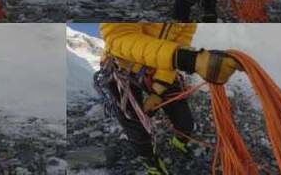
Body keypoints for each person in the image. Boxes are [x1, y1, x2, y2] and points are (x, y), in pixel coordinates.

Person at [98, 23, 240, 174]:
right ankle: (150, 161)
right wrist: (185, 59)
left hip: (162, 65)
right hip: (120, 67)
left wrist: (158, 90)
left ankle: (179, 141)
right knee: (133, 121)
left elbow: (181, 42)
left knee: (185, 122)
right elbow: (118, 38)